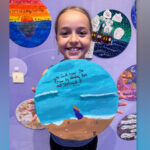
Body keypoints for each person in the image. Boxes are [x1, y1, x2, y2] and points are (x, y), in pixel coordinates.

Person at [28, 6, 127, 150]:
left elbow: (95, 106)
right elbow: (52, 109)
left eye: (81, 33)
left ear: (91, 38)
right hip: (59, 142)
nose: (74, 39)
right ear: (57, 39)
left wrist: (108, 102)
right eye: (65, 33)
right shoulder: (48, 75)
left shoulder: (97, 76)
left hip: (88, 141)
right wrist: (41, 107)